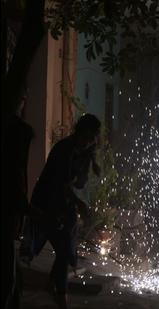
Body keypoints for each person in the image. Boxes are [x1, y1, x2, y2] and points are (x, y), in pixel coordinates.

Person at [26, 114, 101, 309]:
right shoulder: (63, 150)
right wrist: (80, 204)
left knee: (67, 247)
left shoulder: (84, 149)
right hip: (48, 201)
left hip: (64, 203)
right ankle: (61, 293)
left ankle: (54, 284)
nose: (91, 141)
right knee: (62, 246)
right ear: (80, 132)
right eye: (88, 136)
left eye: (93, 138)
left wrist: (94, 164)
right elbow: (61, 185)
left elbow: (79, 178)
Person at [1, 90, 34, 309]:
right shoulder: (17, 133)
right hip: (9, 207)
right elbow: (16, 174)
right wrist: (24, 205)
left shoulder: (19, 131)